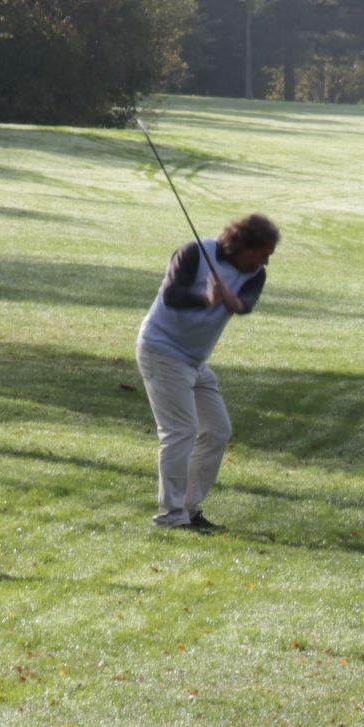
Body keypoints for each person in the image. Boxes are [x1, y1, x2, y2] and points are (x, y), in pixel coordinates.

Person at [134, 211, 279, 532]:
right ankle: (171, 516)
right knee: (180, 432)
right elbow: (172, 295)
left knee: (216, 430)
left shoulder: (255, 274)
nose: (266, 261)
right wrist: (207, 298)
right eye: (261, 253)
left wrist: (231, 300)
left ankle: (187, 507)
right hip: (161, 351)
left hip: (195, 362)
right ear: (241, 245)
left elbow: (245, 304)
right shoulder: (194, 253)